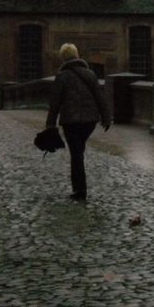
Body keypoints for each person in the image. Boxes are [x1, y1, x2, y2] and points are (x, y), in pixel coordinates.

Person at [45, 43, 112, 202]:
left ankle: (80, 190)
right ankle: (79, 188)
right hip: (89, 121)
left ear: (63, 57)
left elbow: (55, 102)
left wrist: (50, 124)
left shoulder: (62, 76)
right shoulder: (90, 74)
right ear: (77, 55)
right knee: (78, 151)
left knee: (76, 154)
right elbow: (100, 97)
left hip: (71, 120)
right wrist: (106, 117)